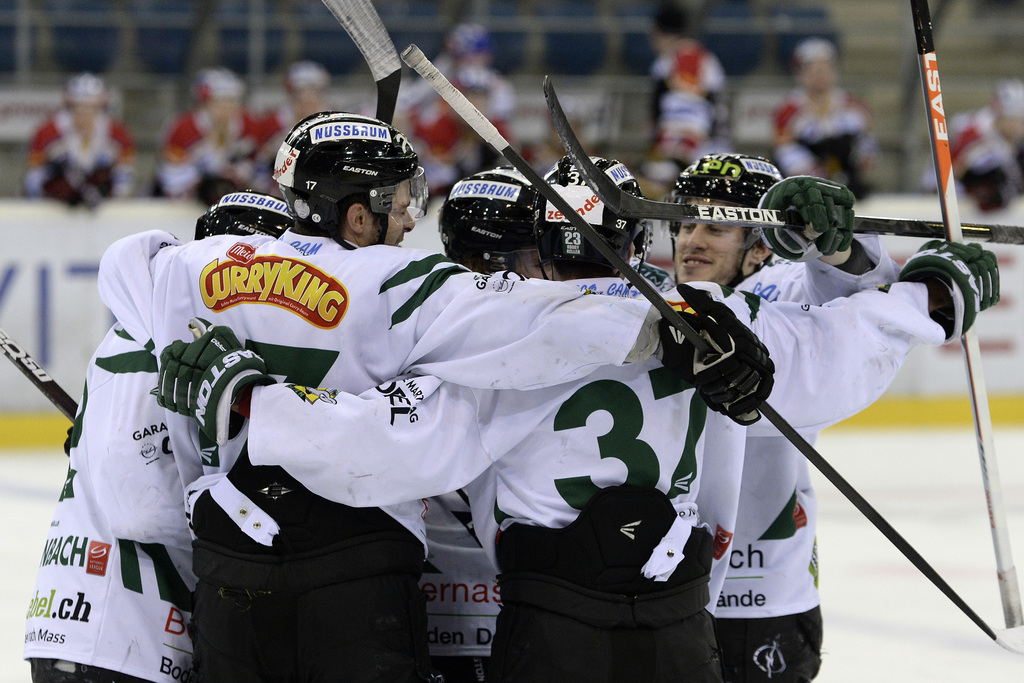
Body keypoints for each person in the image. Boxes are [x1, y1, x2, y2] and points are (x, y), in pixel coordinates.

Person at [159, 158, 998, 682]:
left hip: (544, 620)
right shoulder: (703, 316)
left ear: (540, 244)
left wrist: (252, 405)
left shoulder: (509, 329)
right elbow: (829, 357)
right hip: (675, 617)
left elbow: (403, 449)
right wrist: (933, 293)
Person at [98, 111, 704, 683]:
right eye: (403, 201)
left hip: (229, 562)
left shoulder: (188, 268)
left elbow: (123, 266)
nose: (411, 220)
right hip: (359, 573)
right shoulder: (401, 282)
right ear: (358, 216)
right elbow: (532, 319)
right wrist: (668, 327)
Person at [664, 152, 992, 682]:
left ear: (761, 244)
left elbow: (844, 297)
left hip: (759, 589)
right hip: (662, 587)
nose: (692, 239)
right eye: (686, 222)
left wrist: (839, 250)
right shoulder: (662, 299)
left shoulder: (776, 293)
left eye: (719, 225)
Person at [24, 190, 293, 683]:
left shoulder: (165, 327)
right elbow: (140, 506)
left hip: (121, 638)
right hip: (114, 637)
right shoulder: (154, 337)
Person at [397, 23, 516, 200]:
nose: (476, 103)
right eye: (469, 95)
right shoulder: (439, 122)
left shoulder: (498, 122)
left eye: (481, 97)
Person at [773, 38, 878, 198]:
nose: (820, 75)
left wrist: (863, 160)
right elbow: (784, 150)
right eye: (813, 70)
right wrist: (815, 172)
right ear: (800, 73)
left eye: (825, 68)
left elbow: (867, 141)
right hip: (806, 186)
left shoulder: (854, 104)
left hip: (850, 181)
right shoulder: (788, 110)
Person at [152, 67, 270, 205]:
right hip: (186, 201)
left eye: (234, 100)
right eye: (222, 100)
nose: (229, 107)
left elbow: (261, 169)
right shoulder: (181, 128)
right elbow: (171, 179)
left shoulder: (250, 125)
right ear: (205, 102)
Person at [645, 2, 730, 187]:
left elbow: (689, 111)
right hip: (700, 147)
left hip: (696, 151)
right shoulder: (677, 57)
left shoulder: (687, 58)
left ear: (661, 33)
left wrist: (673, 155)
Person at [24, 72, 136, 207]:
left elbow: (125, 172)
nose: (84, 115)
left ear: (100, 107)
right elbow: (34, 175)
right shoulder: (47, 132)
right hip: (56, 204)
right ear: (69, 107)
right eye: (78, 108)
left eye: (91, 108)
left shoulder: (118, 133)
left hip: (102, 203)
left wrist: (116, 200)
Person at [254, 60, 333, 194]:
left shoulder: (335, 120)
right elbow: (258, 165)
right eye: (302, 92)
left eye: (314, 91)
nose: (309, 98)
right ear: (292, 94)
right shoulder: (273, 122)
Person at [950, 78, 1024, 211]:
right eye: (1019, 119)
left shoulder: (1008, 138)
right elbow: (952, 173)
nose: (1020, 126)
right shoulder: (975, 133)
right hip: (958, 203)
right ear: (1003, 117)